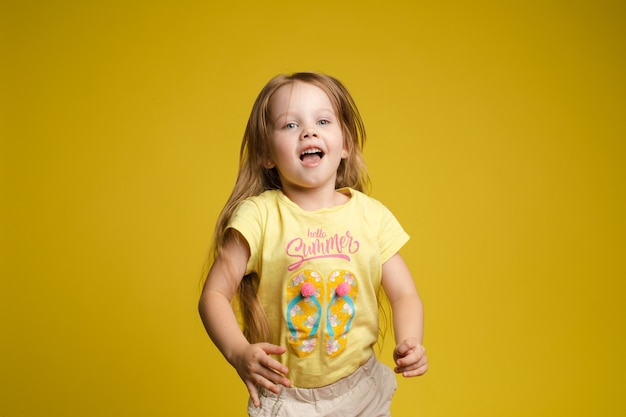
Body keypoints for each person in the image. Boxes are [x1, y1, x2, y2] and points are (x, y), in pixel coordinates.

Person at [199, 72, 428, 416]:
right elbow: (214, 295)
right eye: (290, 125)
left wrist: (410, 341)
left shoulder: (371, 216)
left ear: (345, 144)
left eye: (323, 120)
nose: (308, 131)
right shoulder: (259, 216)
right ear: (267, 154)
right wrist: (237, 351)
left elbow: (404, 294)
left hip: (360, 390)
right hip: (287, 398)